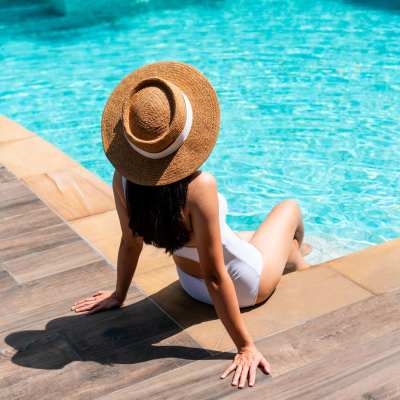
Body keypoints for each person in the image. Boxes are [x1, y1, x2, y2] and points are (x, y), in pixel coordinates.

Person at [71, 61, 311, 389]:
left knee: (266, 242)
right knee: (289, 208)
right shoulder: (200, 187)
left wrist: (119, 293)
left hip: (188, 283)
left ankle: (296, 260)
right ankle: (298, 263)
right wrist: (245, 346)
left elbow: (131, 242)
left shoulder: (123, 180)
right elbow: (216, 277)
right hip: (242, 286)